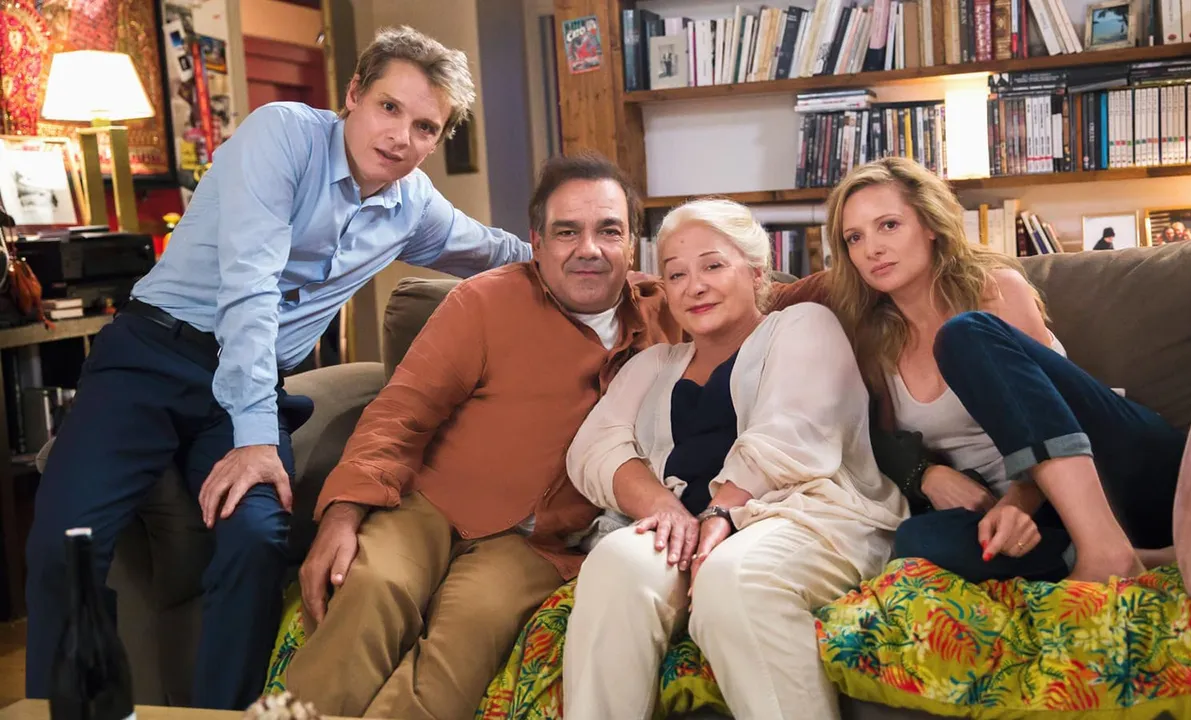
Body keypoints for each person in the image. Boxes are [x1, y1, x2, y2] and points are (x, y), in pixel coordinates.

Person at [24, 26, 530, 710]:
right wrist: (258, 439)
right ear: (353, 94)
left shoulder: (413, 207)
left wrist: (600, 262)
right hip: (152, 358)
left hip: (250, 385)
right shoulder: (282, 135)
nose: (400, 138)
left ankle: (223, 714)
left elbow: (499, 252)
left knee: (258, 538)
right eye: (389, 108)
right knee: (66, 541)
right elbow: (251, 288)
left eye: (424, 127)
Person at [281, 152, 683, 719]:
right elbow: (399, 414)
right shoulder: (483, 301)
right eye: (567, 231)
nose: (589, 249)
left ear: (633, 245)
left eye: (608, 231)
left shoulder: (671, 315)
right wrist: (342, 516)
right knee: (372, 586)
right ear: (536, 242)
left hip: (540, 542)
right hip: (429, 505)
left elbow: (767, 301)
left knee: (468, 634)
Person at [561, 199, 909, 720]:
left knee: (733, 577)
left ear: (756, 272)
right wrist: (667, 510)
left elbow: (793, 430)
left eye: (713, 266)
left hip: (803, 518)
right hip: (687, 529)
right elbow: (594, 447)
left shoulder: (802, 325)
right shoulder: (653, 364)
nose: (694, 287)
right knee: (616, 561)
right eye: (676, 274)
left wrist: (721, 514)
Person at [825, 157, 1185, 584]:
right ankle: (1143, 557)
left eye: (889, 225)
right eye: (854, 237)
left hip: (1120, 467)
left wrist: (1019, 500)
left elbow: (1048, 417)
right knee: (917, 541)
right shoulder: (872, 340)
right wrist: (925, 475)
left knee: (962, 335)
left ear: (930, 224)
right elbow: (875, 443)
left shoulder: (995, 290)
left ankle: (1105, 551)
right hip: (1036, 518)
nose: (872, 249)